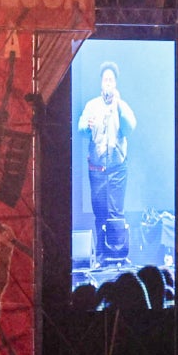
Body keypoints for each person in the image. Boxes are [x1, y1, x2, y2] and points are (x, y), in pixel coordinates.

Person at [77, 60, 134, 269]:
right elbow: (81, 128)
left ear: (115, 84)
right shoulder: (92, 105)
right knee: (100, 212)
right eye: (105, 79)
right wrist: (86, 125)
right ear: (101, 83)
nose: (108, 83)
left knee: (116, 212)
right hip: (97, 169)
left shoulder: (122, 106)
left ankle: (118, 254)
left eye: (111, 79)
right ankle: (101, 255)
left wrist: (118, 105)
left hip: (118, 169)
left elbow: (130, 127)